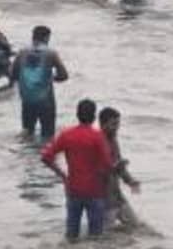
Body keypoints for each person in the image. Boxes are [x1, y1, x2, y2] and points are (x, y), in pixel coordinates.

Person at [41, 99, 114, 240]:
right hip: (95, 191)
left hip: (73, 189)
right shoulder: (98, 136)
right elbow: (107, 165)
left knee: (71, 235)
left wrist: (62, 175)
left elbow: (46, 157)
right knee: (96, 237)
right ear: (94, 116)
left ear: (77, 115)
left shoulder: (66, 135)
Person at [12, 25, 70, 139]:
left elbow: (13, 74)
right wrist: (53, 78)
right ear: (47, 38)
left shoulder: (22, 52)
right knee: (48, 136)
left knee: (27, 133)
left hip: (27, 100)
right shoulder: (51, 53)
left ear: (32, 37)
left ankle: (25, 156)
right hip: (45, 101)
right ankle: (43, 155)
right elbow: (64, 75)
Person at [99, 106, 141, 228]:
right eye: (113, 124)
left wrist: (131, 181)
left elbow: (120, 167)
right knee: (104, 238)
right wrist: (115, 167)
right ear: (103, 124)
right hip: (104, 200)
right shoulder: (97, 142)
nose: (117, 127)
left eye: (118, 124)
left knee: (137, 227)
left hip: (117, 196)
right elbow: (95, 170)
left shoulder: (113, 140)